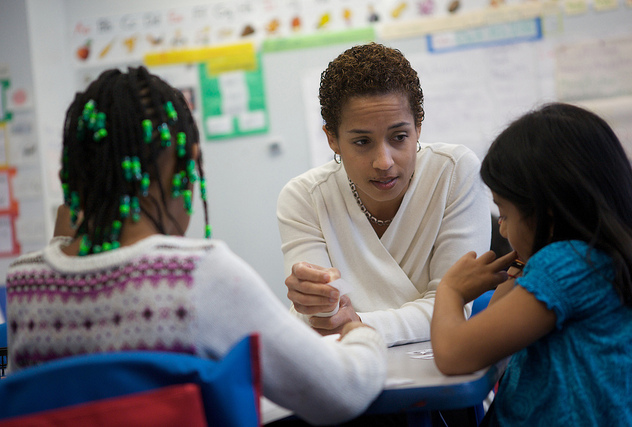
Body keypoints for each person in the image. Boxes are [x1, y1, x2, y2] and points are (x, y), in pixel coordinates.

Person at [5, 66, 387, 425]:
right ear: (188, 165)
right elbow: (342, 392)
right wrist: (361, 333)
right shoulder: (196, 276)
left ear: (74, 174)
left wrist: (60, 240)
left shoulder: (25, 282)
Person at [431, 103, 632, 425]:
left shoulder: (569, 264)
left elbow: (455, 355)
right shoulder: (597, 261)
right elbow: (495, 340)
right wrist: (519, 266)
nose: (501, 227)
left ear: (549, 214)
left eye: (505, 213)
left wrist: (450, 290)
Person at [277, 42, 491, 346]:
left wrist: (359, 323)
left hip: (440, 368)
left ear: (419, 125)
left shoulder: (455, 173)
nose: (384, 162)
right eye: (362, 142)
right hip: (348, 370)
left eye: (399, 137)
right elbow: (325, 318)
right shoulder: (305, 198)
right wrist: (313, 303)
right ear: (332, 139)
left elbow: (453, 306)